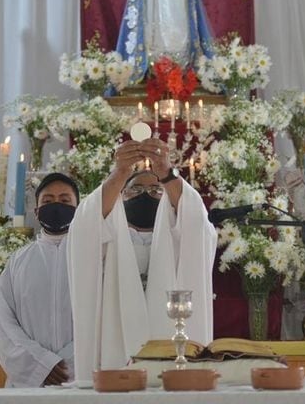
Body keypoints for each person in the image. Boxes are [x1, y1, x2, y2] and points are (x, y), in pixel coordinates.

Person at [67, 137, 217, 384]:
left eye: (156, 190)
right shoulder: (108, 235)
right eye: (135, 190)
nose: (145, 194)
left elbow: (197, 222)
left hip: (171, 345)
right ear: (121, 197)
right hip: (116, 345)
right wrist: (120, 173)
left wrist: (166, 173)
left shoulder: (177, 232)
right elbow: (84, 227)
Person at [0, 173, 79, 387]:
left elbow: (106, 320)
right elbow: (5, 321)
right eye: (48, 201)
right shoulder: (18, 261)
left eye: (65, 200)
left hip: (82, 379)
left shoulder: (94, 255)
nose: (56, 206)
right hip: (31, 384)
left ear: (79, 208)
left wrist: (69, 363)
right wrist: (41, 365)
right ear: (36, 211)